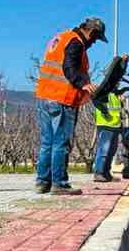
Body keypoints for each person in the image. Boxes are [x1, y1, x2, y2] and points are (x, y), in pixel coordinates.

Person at [34, 16, 105, 196]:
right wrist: (83, 83)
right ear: (91, 32)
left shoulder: (60, 38)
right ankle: (59, 183)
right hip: (62, 99)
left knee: (47, 142)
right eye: (95, 39)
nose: (94, 43)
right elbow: (69, 67)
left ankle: (42, 182)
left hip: (44, 96)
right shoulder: (76, 42)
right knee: (61, 143)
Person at [91, 85, 122, 183]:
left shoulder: (115, 94)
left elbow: (117, 110)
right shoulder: (104, 90)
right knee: (103, 150)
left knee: (111, 151)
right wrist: (104, 111)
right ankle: (98, 173)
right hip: (105, 124)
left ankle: (106, 173)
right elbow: (95, 100)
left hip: (115, 125)